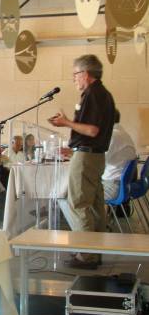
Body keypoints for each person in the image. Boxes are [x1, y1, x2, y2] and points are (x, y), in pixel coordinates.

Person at [49, 54, 115, 269]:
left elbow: (92, 130)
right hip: (95, 155)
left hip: (87, 156)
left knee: (78, 203)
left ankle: (85, 256)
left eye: (75, 74)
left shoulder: (93, 95)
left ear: (86, 74)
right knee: (95, 205)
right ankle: (96, 251)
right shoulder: (102, 94)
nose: (74, 79)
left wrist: (66, 122)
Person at [102, 109, 137, 201]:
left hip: (112, 187)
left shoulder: (112, 136)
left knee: (72, 194)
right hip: (120, 184)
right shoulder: (122, 133)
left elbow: (99, 162)